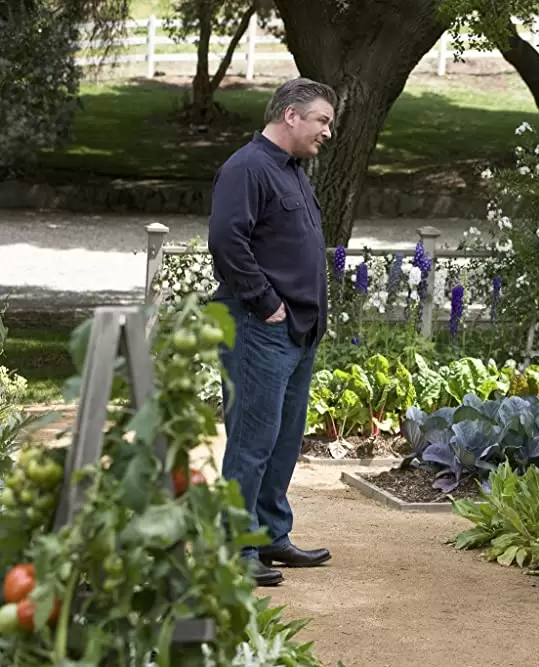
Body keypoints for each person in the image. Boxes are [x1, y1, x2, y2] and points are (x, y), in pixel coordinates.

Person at [207, 77, 337, 587]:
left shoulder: (293, 172)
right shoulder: (245, 168)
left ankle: (270, 536)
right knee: (251, 440)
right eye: (322, 120)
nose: (328, 131)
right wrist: (266, 305)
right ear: (291, 116)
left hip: (298, 331)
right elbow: (226, 241)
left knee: (283, 439)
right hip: (258, 327)